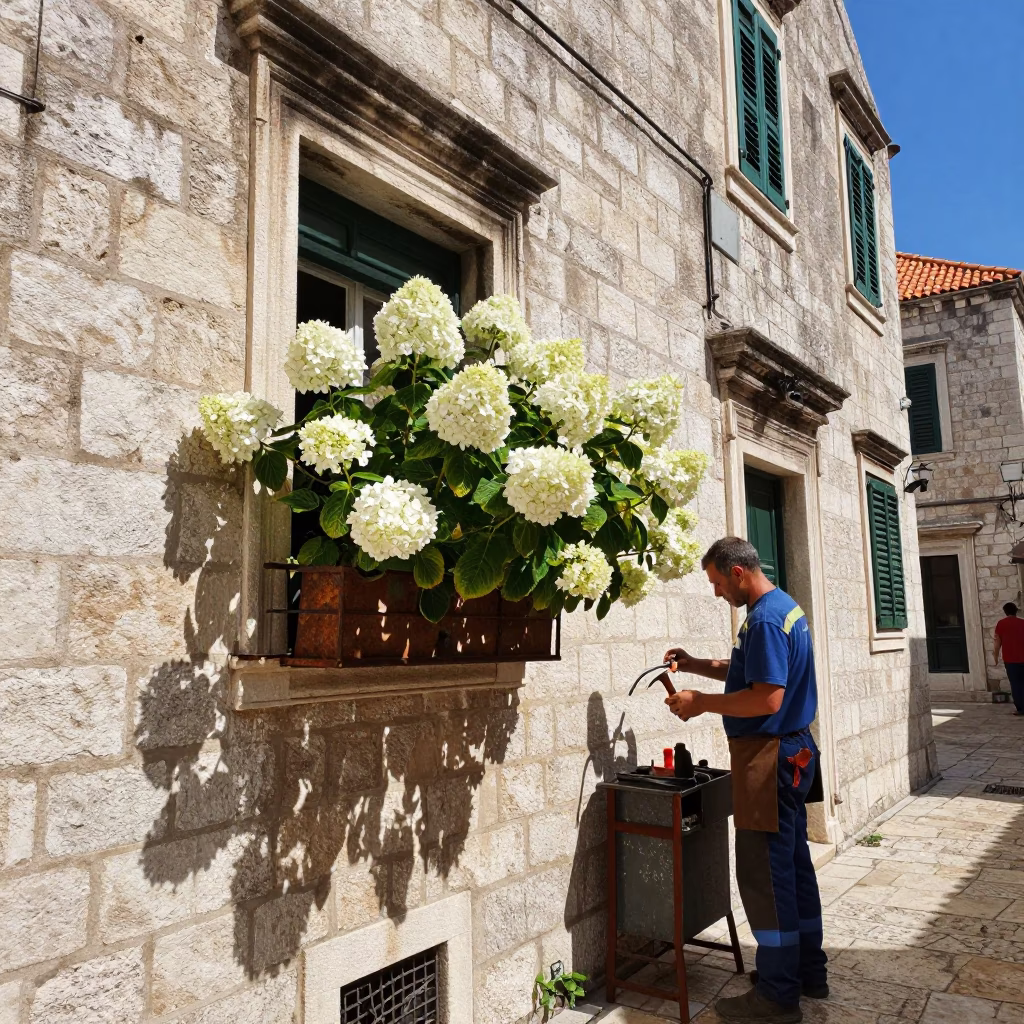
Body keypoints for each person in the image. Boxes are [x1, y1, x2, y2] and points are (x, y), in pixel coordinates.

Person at [663, 537, 826, 1024]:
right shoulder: (782, 608)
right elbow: (748, 673)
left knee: (765, 879)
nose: (716, 593)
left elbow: (766, 699)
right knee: (795, 870)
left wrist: (700, 702)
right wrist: (696, 666)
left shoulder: (765, 620)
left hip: (769, 759)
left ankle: (777, 995)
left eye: (716, 582)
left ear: (737, 573)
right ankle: (806, 971)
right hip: (793, 752)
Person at [994, 602, 1024, 715]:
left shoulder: (1001, 624)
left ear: (1005, 612)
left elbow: (997, 643)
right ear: (1016, 611)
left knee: (1015, 684)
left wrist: (995, 656)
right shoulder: (1023, 623)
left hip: (1011, 660)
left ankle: (1021, 708)